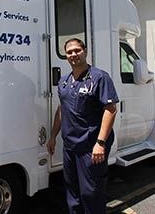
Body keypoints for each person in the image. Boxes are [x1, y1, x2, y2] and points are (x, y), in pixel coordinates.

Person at [47, 38, 119, 214]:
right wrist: (53, 136)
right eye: (69, 52)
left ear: (85, 51)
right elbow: (61, 110)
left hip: (91, 147)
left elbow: (110, 110)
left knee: (91, 192)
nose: (73, 54)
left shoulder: (99, 77)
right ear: (66, 56)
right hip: (70, 146)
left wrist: (100, 143)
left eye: (77, 50)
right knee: (72, 192)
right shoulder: (64, 82)